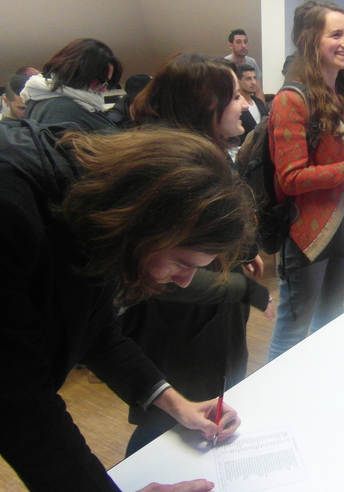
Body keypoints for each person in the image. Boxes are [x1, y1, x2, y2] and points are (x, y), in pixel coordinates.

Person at [0, 123, 253, 492]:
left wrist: (177, 404)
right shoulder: (12, 212)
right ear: (148, 222)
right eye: (181, 262)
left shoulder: (91, 213)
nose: (185, 281)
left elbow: (97, 330)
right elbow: (19, 404)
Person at [125, 52, 270, 455]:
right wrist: (240, 288)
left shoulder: (208, 151)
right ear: (206, 105)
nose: (244, 104)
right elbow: (164, 277)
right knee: (165, 425)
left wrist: (242, 253)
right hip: (180, 326)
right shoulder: (168, 167)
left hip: (211, 316)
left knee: (208, 408)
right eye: (235, 96)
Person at [267, 1, 344, 360]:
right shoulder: (290, 100)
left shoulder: (342, 91)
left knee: (330, 319)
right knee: (292, 330)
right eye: (335, 35)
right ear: (309, 40)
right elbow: (291, 178)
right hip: (310, 231)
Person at [22, 38, 121, 132]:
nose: (104, 89)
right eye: (102, 81)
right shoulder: (60, 109)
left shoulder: (72, 103)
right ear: (80, 72)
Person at [225, 28, 265, 102]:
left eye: (245, 42)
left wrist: (261, 108)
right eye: (238, 42)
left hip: (250, 102)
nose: (243, 46)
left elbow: (258, 91)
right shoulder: (225, 64)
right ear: (230, 45)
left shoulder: (252, 62)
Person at [235, 63, 267, 145]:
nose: (253, 82)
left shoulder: (259, 102)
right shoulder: (235, 106)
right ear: (239, 81)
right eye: (248, 79)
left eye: (254, 78)